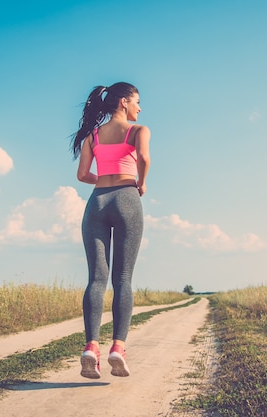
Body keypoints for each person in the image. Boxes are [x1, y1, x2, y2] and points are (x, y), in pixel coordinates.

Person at [70, 82, 151, 379]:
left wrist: (104, 180)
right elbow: (143, 158)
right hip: (127, 198)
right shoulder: (138, 131)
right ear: (123, 102)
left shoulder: (93, 134)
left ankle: (91, 347)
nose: (139, 108)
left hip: (97, 202)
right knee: (123, 279)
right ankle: (118, 347)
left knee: (96, 279)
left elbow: (81, 174)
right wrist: (140, 183)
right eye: (137, 101)